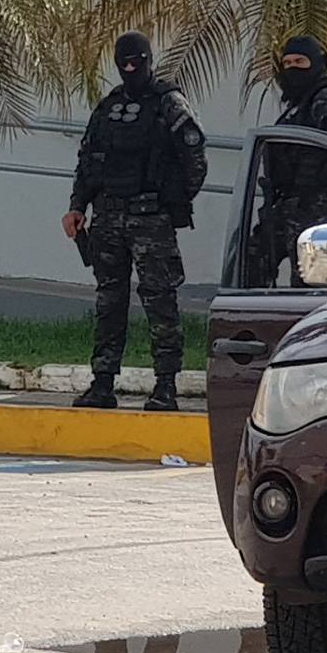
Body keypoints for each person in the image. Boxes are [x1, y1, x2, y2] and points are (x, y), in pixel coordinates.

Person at [64, 32, 209, 412]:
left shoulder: (168, 104)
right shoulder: (107, 108)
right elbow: (88, 159)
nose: (130, 69)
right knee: (109, 302)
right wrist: (78, 205)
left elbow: (194, 156)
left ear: (148, 60)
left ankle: (165, 387)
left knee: (160, 301)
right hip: (108, 217)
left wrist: (172, 202)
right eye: (123, 63)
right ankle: (103, 383)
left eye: (136, 62)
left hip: (151, 221)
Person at [247, 35, 327, 286]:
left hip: (319, 209)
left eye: (300, 61)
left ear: (316, 63)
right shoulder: (299, 105)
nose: (292, 68)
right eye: (287, 63)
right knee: (250, 260)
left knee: (308, 284)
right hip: (290, 205)